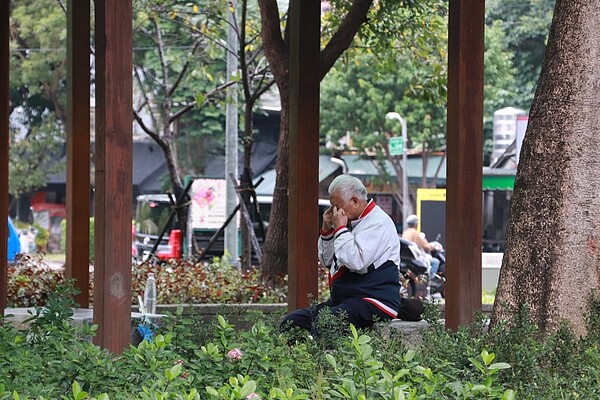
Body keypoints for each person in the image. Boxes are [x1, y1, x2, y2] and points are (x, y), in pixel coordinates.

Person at [281, 175, 424, 337]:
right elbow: (328, 261)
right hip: (346, 300)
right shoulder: (349, 222)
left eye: (337, 205)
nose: (334, 212)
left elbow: (356, 262)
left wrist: (340, 228)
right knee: (292, 322)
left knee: (326, 323)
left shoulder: (378, 223)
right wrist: (327, 229)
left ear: (355, 201)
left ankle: (322, 361)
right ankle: (295, 359)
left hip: (373, 300)